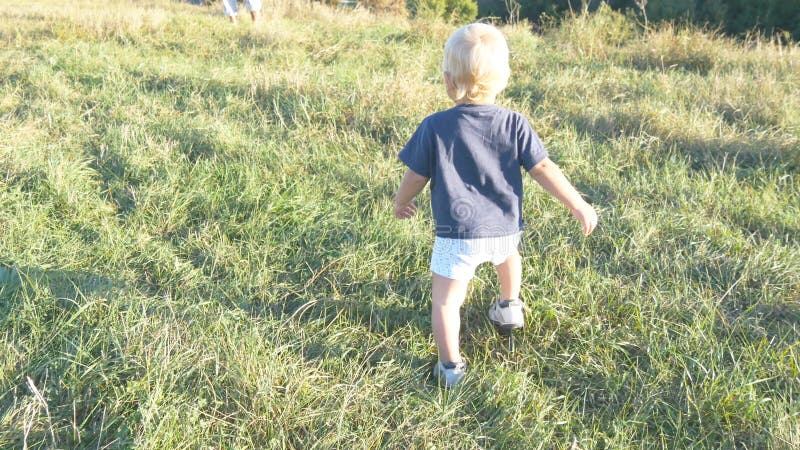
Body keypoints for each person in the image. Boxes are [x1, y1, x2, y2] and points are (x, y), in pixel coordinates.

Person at [393, 23, 598, 388]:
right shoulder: (515, 123)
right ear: (503, 78)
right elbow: (543, 168)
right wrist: (578, 203)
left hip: (457, 235)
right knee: (508, 259)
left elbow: (415, 176)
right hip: (505, 228)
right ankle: (509, 307)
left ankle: (451, 367)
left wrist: (401, 202)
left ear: (447, 80)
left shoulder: (435, 126)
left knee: (446, 302)